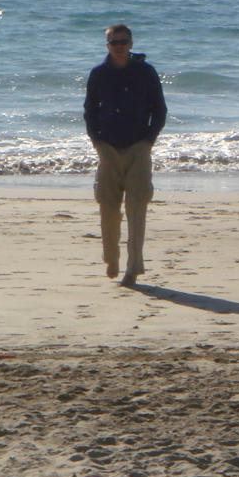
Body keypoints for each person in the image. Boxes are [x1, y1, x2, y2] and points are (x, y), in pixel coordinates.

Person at [84, 24, 167, 287]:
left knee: (137, 207)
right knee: (107, 206)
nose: (119, 46)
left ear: (131, 43)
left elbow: (160, 110)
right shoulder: (98, 74)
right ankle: (112, 258)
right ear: (107, 45)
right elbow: (89, 110)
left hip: (138, 148)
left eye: (123, 41)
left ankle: (133, 268)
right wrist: (97, 141)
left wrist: (149, 141)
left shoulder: (146, 72)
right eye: (113, 42)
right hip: (107, 148)